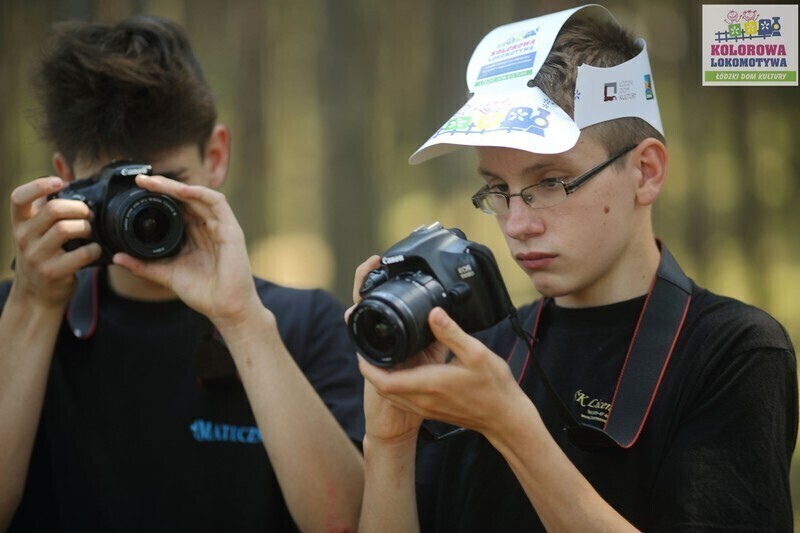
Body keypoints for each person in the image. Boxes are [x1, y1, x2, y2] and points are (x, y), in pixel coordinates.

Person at [351, 5, 797, 532]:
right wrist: (390, 439)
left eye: (550, 182)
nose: (518, 223)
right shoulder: (484, 350)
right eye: (497, 189)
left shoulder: (731, 352)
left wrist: (511, 426)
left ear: (646, 172)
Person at [0, 14, 364, 532]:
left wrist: (242, 322)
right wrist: (32, 305)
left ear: (215, 156)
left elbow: (346, 524)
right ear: (65, 179)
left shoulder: (303, 325)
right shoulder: (17, 319)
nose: (141, 214)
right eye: (114, 190)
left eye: (164, 186)